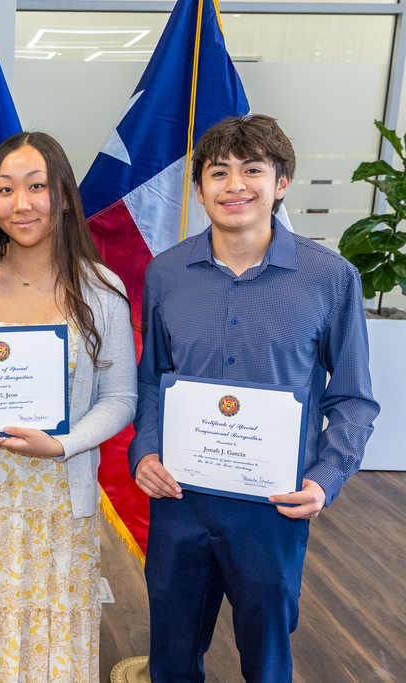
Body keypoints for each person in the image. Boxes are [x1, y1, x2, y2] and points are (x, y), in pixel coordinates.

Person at [128, 114, 379, 683]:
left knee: (265, 660)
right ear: (199, 189)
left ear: (281, 182)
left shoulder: (330, 278)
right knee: (170, 653)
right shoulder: (165, 274)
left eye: (253, 170)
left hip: (272, 507)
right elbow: (151, 379)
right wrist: (143, 452)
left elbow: (354, 398)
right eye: (218, 172)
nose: (234, 185)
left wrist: (325, 478)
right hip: (179, 498)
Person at [0, 131, 137, 682]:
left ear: (62, 195)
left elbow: (121, 398)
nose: (21, 204)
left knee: (49, 650)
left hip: (59, 504)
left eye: (36, 186)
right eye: (5, 189)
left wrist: (60, 444)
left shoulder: (102, 288)